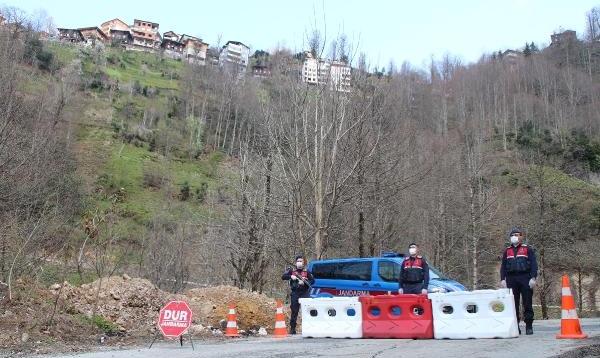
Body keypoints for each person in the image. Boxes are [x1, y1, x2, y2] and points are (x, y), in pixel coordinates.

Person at [500, 227, 538, 335]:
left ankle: (529, 326)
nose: (514, 237)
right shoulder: (507, 251)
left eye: (517, 235)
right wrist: (503, 279)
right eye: (512, 235)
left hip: (525, 277)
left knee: (527, 302)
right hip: (511, 279)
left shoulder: (527, 249)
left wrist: (533, 277)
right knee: (513, 304)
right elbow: (503, 266)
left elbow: (534, 264)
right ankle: (516, 326)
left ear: (521, 236)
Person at [282, 254, 314, 334]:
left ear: (303, 262)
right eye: (298, 261)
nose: (299, 262)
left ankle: (309, 328)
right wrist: (291, 276)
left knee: (307, 310)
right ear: (296, 262)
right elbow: (283, 276)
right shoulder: (292, 270)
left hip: (305, 292)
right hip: (295, 292)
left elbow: (312, 281)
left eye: (301, 261)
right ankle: (292, 329)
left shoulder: (307, 271)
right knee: (294, 311)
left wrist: (304, 282)